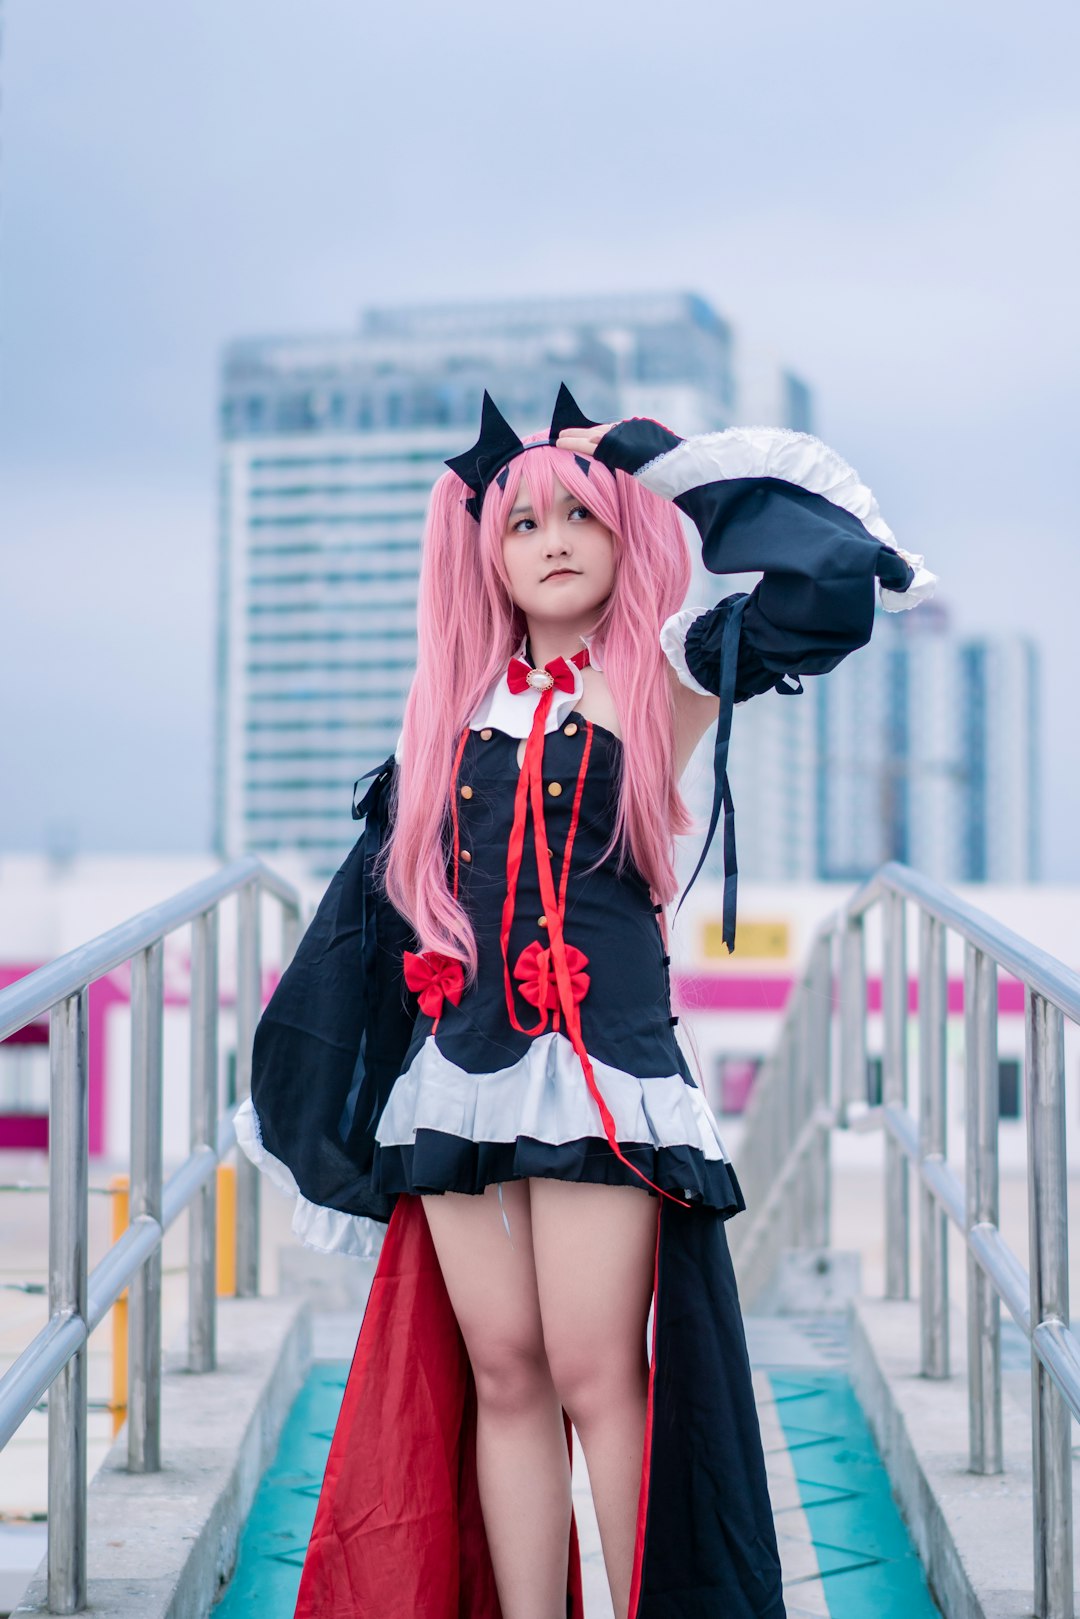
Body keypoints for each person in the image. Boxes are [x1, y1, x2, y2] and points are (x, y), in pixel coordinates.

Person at [236, 385, 935, 1619]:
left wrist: (653, 461)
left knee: (596, 1369)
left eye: (579, 514)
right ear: (484, 555)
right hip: (459, 1076)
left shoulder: (659, 678)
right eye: (521, 522)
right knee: (504, 1373)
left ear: (625, 530)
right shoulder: (449, 714)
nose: (551, 538)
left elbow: (828, 585)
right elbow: (377, 923)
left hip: (605, 1074)